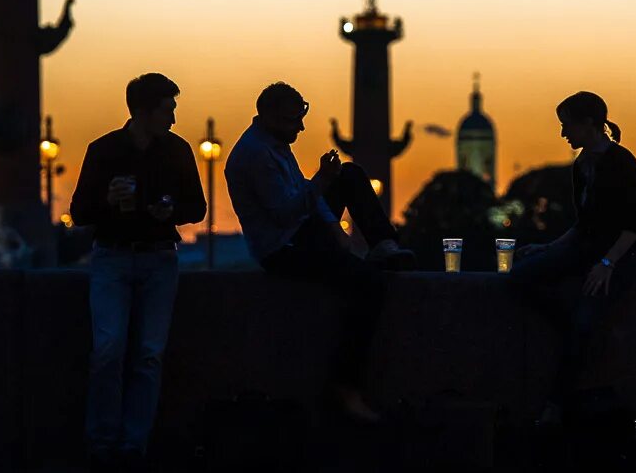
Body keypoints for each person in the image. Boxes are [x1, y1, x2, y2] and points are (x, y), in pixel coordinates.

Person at [224, 82, 415, 422]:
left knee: (351, 174)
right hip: (285, 248)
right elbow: (285, 212)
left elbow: (308, 198)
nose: (300, 127)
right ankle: (345, 387)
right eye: (292, 120)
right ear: (269, 115)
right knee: (369, 286)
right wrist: (323, 183)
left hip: (305, 233)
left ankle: (384, 242)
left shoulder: (276, 144)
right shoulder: (256, 154)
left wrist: (335, 230)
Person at [70, 73, 207, 471]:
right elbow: (80, 213)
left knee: (148, 355)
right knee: (109, 351)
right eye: (169, 109)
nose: (175, 119)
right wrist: (106, 200)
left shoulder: (177, 151)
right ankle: (102, 443)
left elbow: (195, 209)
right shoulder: (103, 151)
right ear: (143, 111)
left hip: (160, 258)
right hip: (112, 258)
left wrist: (171, 212)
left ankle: (132, 445)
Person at [509, 91, 636, 421]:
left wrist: (607, 264)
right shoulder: (581, 165)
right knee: (518, 278)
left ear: (588, 124)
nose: (563, 134)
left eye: (566, 125)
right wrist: (548, 247)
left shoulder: (621, 161)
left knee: (584, 326)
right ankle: (568, 326)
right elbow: (584, 224)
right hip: (586, 251)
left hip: (620, 257)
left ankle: (556, 403)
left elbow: (634, 226)